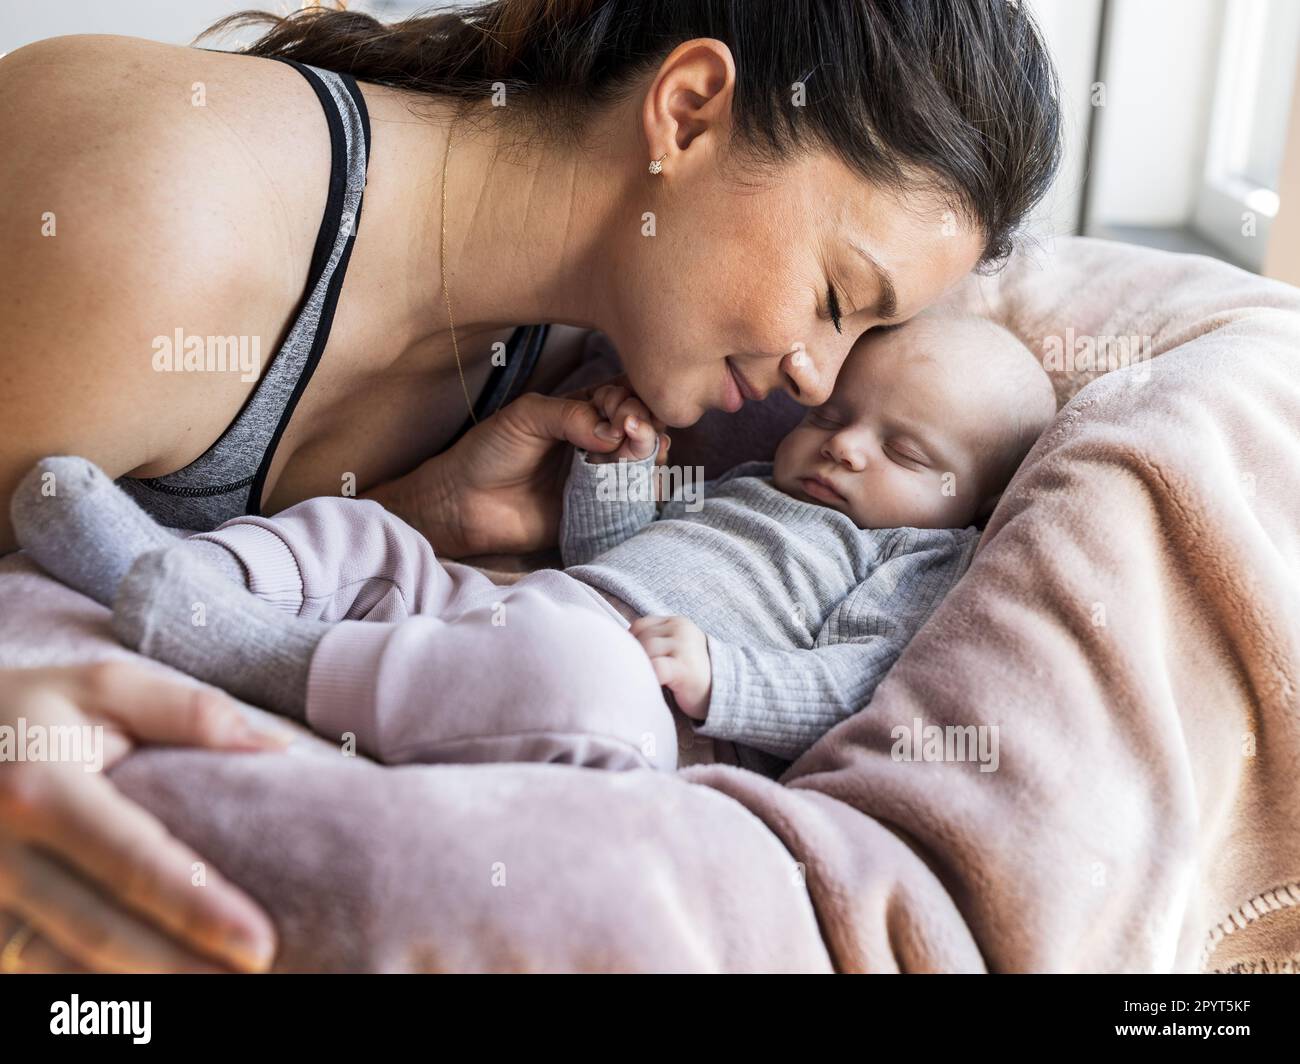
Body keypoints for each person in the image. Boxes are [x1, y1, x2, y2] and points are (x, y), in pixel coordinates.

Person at [0, 1, 1061, 971]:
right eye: (837, 296)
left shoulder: (569, 353)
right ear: (687, 112)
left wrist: (422, 513)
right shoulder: (146, 215)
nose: (819, 379)